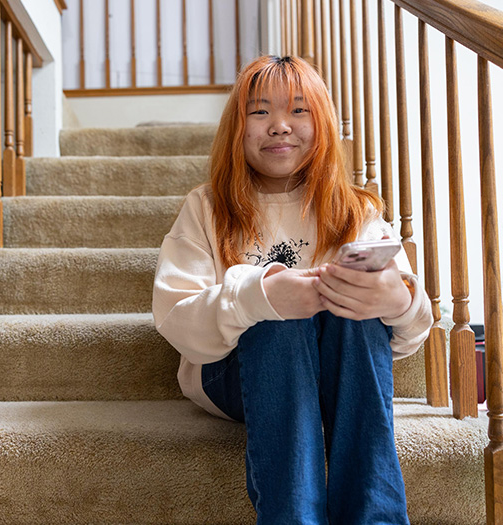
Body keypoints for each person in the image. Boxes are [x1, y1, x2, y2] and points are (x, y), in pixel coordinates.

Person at [152, 55, 432, 524]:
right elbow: (177, 319)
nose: (280, 126)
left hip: (339, 374)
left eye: (298, 110)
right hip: (237, 376)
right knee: (276, 317)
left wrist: (396, 300)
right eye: (260, 112)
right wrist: (258, 296)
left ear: (321, 125)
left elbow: (409, 335)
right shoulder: (206, 206)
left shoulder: (353, 210)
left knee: (355, 311)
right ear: (236, 130)